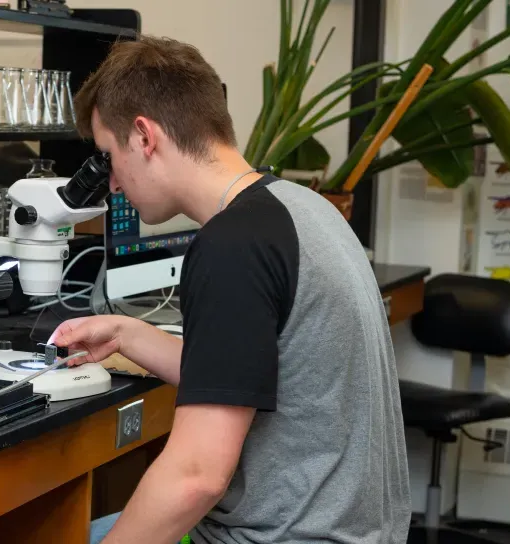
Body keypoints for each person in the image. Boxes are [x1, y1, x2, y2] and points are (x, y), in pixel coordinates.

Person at [49, 36, 411, 544]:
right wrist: (130, 334)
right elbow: (261, 374)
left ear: (145, 137)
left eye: (109, 156)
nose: (111, 184)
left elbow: (196, 478)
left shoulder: (232, 246)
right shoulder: (302, 209)